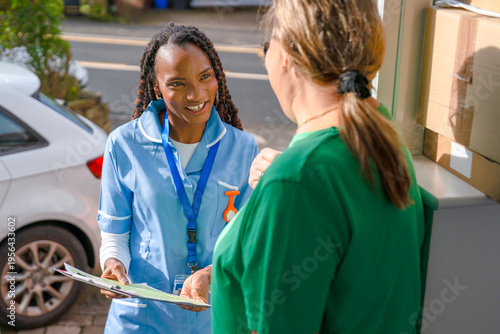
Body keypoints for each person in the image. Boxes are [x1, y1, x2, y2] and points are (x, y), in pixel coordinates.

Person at [211, 0, 425, 333]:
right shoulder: (382, 139)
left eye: (265, 46)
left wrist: (286, 188)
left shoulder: (297, 181)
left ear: (285, 55)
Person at [97, 23, 258, 334]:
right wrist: (114, 265)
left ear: (217, 77)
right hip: (141, 317)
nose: (196, 94)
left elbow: (248, 241)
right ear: (157, 86)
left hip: (214, 315)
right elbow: (116, 236)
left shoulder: (243, 149)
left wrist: (211, 276)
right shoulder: (124, 144)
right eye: (178, 83)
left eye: (205, 77)